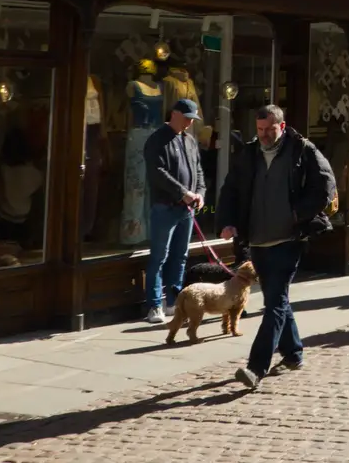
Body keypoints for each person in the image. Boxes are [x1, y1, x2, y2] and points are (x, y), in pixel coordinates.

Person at [219, 105, 335, 390]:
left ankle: (255, 367)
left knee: (274, 303)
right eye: (259, 130)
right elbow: (230, 189)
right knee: (277, 299)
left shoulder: (301, 150)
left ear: (282, 126)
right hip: (257, 241)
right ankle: (293, 354)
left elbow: (325, 185)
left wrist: (298, 214)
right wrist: (227, 222)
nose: (263, 135)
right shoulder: (249, 154)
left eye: (269, 130)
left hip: (288, 239)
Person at [142, 98, 205, 324]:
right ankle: (154, 305)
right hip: (165, 207)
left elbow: (198, 171)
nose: (189, 123)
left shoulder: (190, 140)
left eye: (192, 119)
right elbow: (157, 172)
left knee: (180, 257)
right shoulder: (157, 139)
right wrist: (182, 192)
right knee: (159, 257)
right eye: (187, 118)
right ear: (174, 114)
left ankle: (174, 302)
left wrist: (200, 194)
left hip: (186, 209)